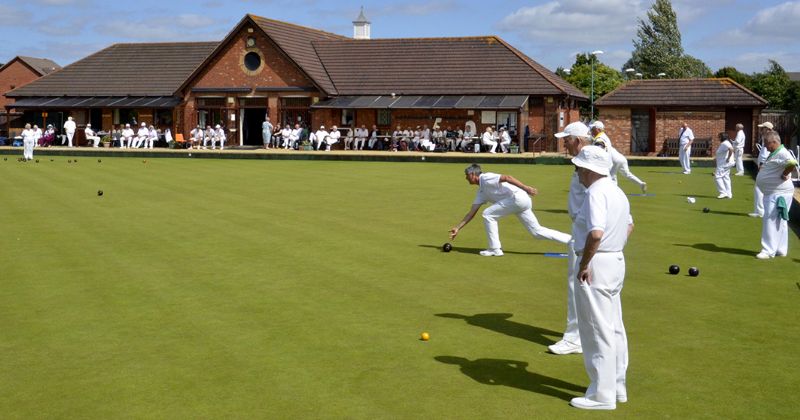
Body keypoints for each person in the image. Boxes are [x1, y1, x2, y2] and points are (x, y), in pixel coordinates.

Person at [569, 145, 631, 411]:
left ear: (589, 169)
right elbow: (629, 225)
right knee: (614, 326)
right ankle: (617, 386)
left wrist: (586, 262)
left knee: (596, 328)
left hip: (597, 263)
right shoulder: (618, 191)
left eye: (578, 167)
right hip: (616, 260)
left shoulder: (595, 193)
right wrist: (613, 247)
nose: (577, 172)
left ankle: (601, 395)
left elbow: (595, 233)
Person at [548, 121, 597, 356]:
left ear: (577, 140)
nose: (564, 143)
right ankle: (585, 334)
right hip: (583, 228)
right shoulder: (589, 157)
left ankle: (575, 337)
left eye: (566, 139)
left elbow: (594, 195)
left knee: (576, 284)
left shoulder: (588, 160)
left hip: (585, 231)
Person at [449, 164, 571, 257]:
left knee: (488, 214)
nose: (466, 178)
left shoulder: (485, 178)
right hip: (521, 201)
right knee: (537, 232)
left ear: (472, 174)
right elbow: (471, 213)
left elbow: (507, 177)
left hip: (517, 198)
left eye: (466, 175)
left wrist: (526, 188)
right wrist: (458, 227)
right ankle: (572, 240)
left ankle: (495, 249)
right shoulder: (481, 192)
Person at [755, 131, 797, 259]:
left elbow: (792, 163)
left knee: (771, 219)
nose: (766, 146)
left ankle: (768, 250)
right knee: (780, 220)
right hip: (776, 192)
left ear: (774, 142)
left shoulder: (782, 152)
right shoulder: (775, 152)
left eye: (767, 143)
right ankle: (780, 248)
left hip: (778, 193)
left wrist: (784, 174)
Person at [590, 121, 647, 193]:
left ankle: (615, 193)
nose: (591, 130)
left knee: (611, 177)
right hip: (622, 159)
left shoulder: (601, 138)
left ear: (598, 129)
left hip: (614, 160)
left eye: (593, 129)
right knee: (627, 174)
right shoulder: (604, 137)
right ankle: (641, 184)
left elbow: (599, 148)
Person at [749, 123, 774, 217]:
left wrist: (762, 165)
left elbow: (765, 155)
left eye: (762, 128)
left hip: (765, 167)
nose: (761, 130)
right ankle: (761, 210)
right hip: (765, 166)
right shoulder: (768, 138)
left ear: (767, 129)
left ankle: (759, 212)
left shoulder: (768, 139)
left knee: (758, 188)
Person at [714, 133, 734, 199]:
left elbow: (731, 149)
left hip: (724, 164)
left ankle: (723, 192)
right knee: (726, 177)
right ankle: (729, 194)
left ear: (722, 137)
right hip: (725, 163)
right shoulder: (725, 143)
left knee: (717, 176)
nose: (718, 138)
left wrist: (728, 158)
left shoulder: (725, 143)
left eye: (719, 137)